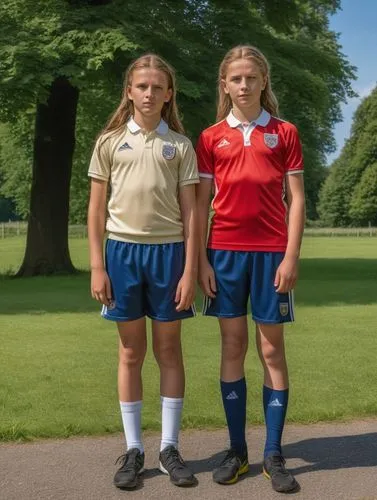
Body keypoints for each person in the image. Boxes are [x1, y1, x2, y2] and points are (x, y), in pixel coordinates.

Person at [196, 45, 305, 493]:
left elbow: (296, 199)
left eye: (251, 78)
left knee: (271, 351)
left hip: (271, 255)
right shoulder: (209, 138)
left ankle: (273, 454)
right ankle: (237, 450)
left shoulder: (285, 132)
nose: (244, 85)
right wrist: (200, 258)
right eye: (235, 79)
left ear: (264, 82)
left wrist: (292, 256)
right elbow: (201, 204)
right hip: (223, 255)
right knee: (232, 346)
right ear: (225, 85)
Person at [87, 53, 198, 489]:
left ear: (169, 94)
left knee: (169, 351)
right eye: (142, 86)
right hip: (122, 255)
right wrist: (98, 266)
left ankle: (169, 447)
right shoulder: (110, 141)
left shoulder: (181, 146)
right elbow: (96, 210)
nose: (149, 93)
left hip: (169, 256)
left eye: (158, 87)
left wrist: (190, 271)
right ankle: (133, 449)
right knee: (130, 353)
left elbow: (192, 216)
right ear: (129, 91)